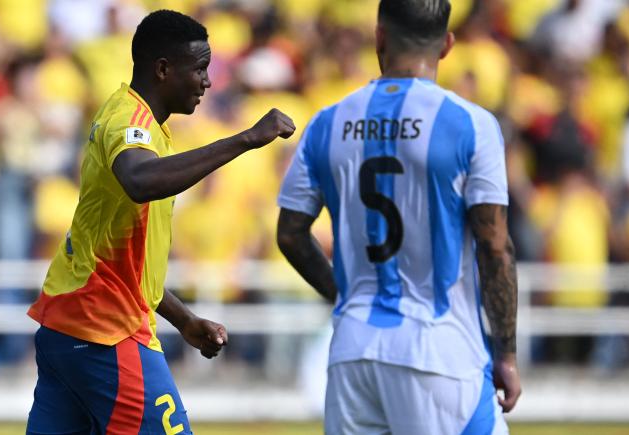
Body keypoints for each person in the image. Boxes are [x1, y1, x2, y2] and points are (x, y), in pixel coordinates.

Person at [26, 9, 295, 435]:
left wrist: (183, 319)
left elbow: (126, 261)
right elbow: (139, 180)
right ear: (164, 69)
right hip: (106, 332)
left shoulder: (144, 125)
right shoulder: (128, 122)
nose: (208, 81)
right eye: (201, 69)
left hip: (69, 327)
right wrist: (243, 140)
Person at [276, 1, 520, 434]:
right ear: (446, 46)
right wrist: (506, 353)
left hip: (353, 350)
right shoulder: (471, 124)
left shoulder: (327, 123)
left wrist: (345, 296)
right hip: (438, 349)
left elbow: (291, 234)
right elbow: (494, 245)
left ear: (379, 37)